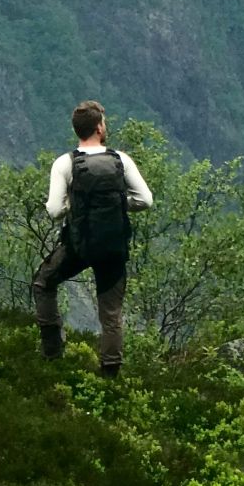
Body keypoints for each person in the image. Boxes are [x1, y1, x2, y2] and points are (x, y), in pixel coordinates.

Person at [32, 99, 153, 377]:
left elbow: (54, 211)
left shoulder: (65, 163)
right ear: (99, 128)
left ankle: (52, 354)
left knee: (43, 283)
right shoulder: (120, 160)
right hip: (113, 246)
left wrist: (75, 207)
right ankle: (110, 374)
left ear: (77, 130)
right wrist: (119, 204)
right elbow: (145, 200)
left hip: (79, 245)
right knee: (111, 313)